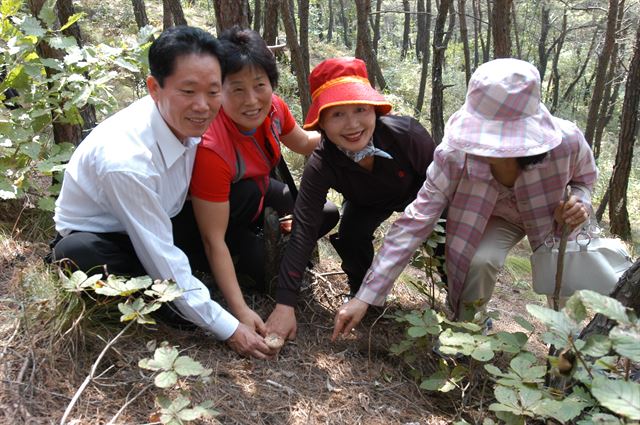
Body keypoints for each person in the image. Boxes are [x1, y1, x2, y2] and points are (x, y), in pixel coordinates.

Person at [332, 58, 598, 340]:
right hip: (495, 217)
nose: (491, 150)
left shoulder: (566, 142)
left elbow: (584, 180)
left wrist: (580, 202)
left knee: (561, 293)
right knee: (479, 260)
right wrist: (366, 296)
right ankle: (466, 333)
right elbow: (415, 221)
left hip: (550, 218)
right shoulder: (454, 155)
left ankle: (566, 354)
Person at [49, 26, 271, 359]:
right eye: (188, 91)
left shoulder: (190, 118)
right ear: (155, 88)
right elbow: (157, 248)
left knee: (245, 195)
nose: (203, 106)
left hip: (163, 218)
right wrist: (229, 327)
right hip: (109, 238)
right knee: (78, 253)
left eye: (213, 92)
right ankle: (175, 300)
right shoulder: (126, 159)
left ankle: (193, 284)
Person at [264, 57, 438, 342]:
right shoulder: (322, 162)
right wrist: (285, 304)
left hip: (421, 196)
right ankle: (362, 295)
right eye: (337, 114)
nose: (353, 124)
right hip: (366, 201)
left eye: (360, 109)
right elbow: (304, 229)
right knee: (351, 234)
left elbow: (441, 188)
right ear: (321, 122)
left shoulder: (407, 135)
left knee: (447, 238)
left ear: (374, 110)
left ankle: (460, 310)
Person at [189, 27, 339, 335]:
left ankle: (266, 244)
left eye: (260, 85)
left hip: (255, 194)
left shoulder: (273, 109)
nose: (252, 100)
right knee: (264, 275)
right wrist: (240, 312)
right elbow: (211, 238)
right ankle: (228, 263)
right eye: (237, 89)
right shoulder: (212, 148)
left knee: (325, 213)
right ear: (219, 90)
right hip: (214, 220)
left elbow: (302, 142)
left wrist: (345, 126)